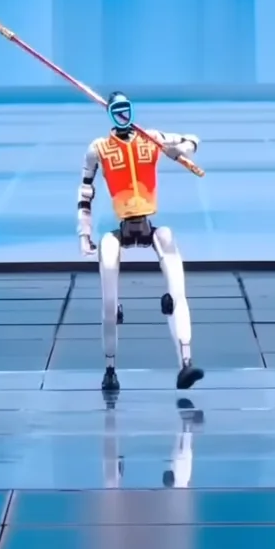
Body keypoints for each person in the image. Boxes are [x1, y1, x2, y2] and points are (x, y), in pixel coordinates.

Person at [78, 92, 203, 394]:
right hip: (120, 229)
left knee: (178, 288)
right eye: (116, 110)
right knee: (109, 301)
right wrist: (84, 233)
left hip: (150, 224)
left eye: (125, 109)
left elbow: (192, 141)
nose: (122, 115)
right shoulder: (99, 149)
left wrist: (176, 148)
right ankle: (110, 369)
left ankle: (185, 363)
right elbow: (85, 193)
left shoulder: (151, 138)